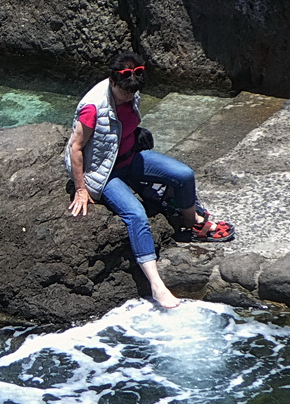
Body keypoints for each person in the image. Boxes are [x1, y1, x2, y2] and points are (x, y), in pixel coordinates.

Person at [65, 52, 233, 308]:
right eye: (125, 94)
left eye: (134, 94)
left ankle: (192, 225)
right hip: (105, 172)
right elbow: (75, 148)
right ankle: (157, 285)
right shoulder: (93, 108)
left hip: (130, 158)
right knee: (137, 215)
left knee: (184, 174)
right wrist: (80, 188)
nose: (130, 98)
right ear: (113, 82)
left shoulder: (131, 88)